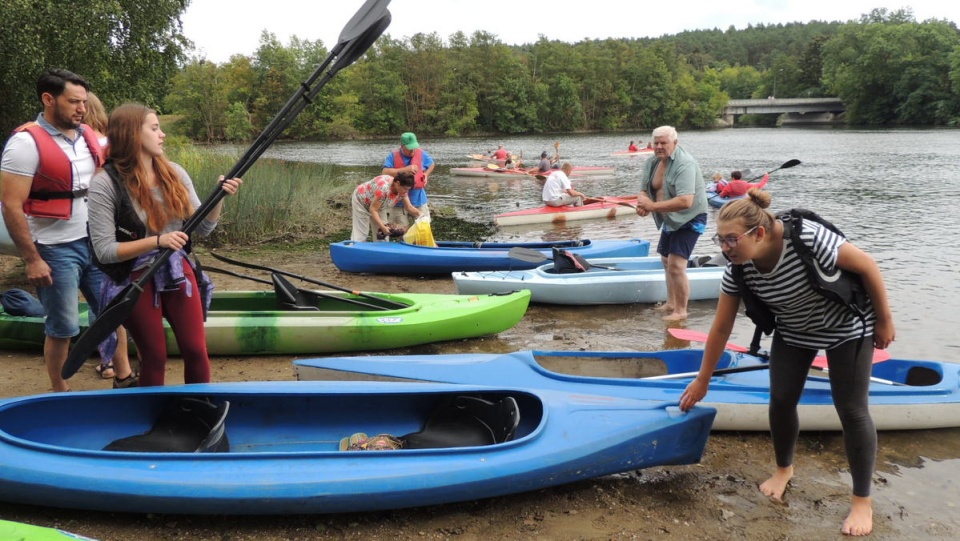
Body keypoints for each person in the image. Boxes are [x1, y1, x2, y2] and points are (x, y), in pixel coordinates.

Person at [679, 189, 895, 537]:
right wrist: (703, 379)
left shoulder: (806, 238)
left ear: (759, 233)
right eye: (720, 240)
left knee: (852, 409)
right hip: (795, 330)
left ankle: (861, 500)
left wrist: (884, 320)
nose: (725, 248)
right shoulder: (738, 270)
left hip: (848, 326)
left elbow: (867, 265)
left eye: (731, 240)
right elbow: (720, 327)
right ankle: (784, 469)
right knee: (780, 400)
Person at [87, 103, 243, 387]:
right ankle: (152, 417)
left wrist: (218, 197)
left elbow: (205, 229)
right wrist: (157, 240)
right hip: (133, 277)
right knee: (155, 355)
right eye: (155, 128)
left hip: (176, 271)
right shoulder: (104, 184)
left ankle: (198, 406)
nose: (163, 135)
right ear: (133, 133)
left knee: (196, 351)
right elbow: (105, 251)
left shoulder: (176, 174)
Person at [0, 68, 135, 391]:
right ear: (49, 99)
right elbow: (11, 206)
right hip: (55, 247)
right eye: (73, 102)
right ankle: (60, 392)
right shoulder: (24, 144)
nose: (81, 109)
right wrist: (32, 259)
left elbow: (129, 158)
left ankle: (124, 377)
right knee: (63, 326)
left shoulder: (90, 137)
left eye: (84, 102)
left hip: (97, 244)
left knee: (113, 313)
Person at [635, 125, 709, 321]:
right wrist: (643, 204)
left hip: (691, 217)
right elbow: (644, 190)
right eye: (656, 143)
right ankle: (671, 302)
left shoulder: (685, 164)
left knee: (676, 265)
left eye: (663, 142)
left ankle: (681, 311)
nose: (659, 146)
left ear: (675, 143)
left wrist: (651, 206)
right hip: (669, 216)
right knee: (666, 260)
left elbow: (686, 201)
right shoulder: (652, 162)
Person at [350, 172, 421, 242]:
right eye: (405, 189)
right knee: (361, 234)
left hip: (379, 204)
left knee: (383, 234)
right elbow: (373, 210)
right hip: (361, 200)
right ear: (398, 183)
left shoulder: (402, 191)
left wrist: (420, 214)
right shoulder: (384, 189)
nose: (406, 192)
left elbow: (408, 207)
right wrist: (382, 227)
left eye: (408, 189)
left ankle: (380, 251)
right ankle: (353, 249)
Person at [381, 132, 433, 224]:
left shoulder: (421, 153)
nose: (412, 151)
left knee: (424, 228)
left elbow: (431, 164)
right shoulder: (393, 156)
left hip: (419, 200)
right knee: (402, 231)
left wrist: (426, 174)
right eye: (409, 148)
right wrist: (405, 169)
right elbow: (385, 172)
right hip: (398, 202)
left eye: (414, 147)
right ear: (402, 146)